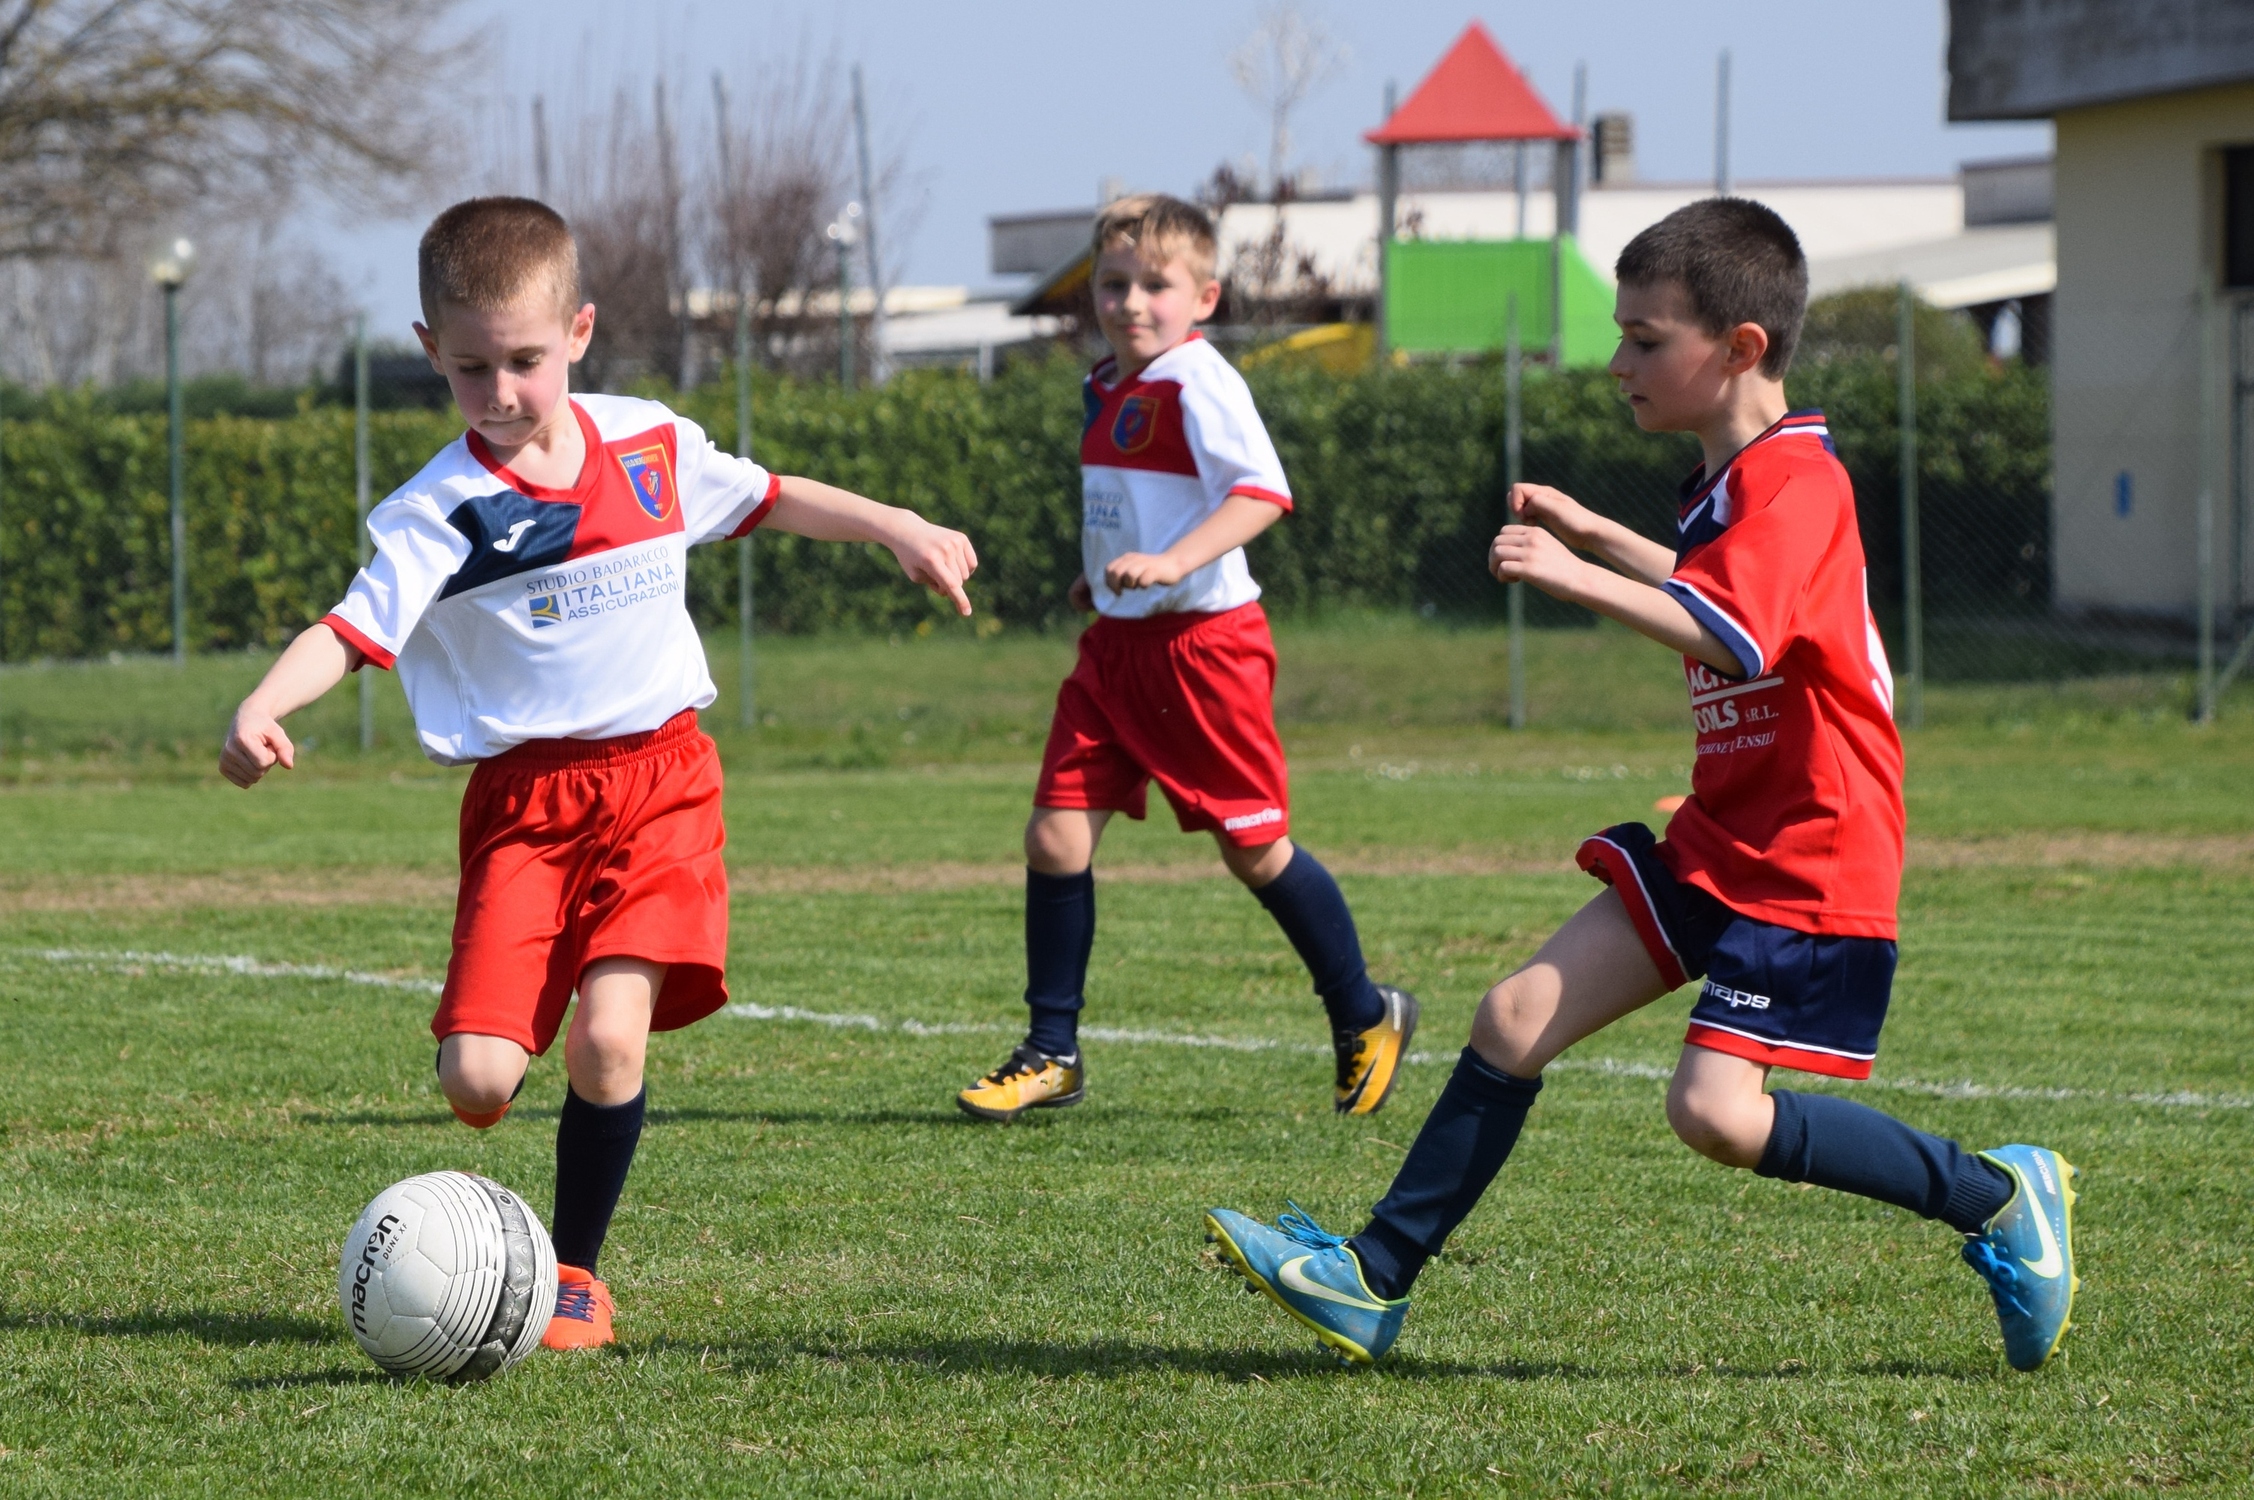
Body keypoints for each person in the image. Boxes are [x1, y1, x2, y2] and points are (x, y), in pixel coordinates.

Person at [1200, 198, 2080, 1373]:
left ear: (1741, 348)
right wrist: (1605, 537)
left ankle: (1994, 1196)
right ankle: (1372, 1279)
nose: (1618, 363)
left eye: (1645, 338)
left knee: (1713, 1115)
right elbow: (1726, 593)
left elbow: (1739, 637)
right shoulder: (1735, 486)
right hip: (1726, 829)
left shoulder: (1796, 484)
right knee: (1515, 1016)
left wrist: (1572, 576)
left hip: (1808, 848)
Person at [220, 197, 978, 1352]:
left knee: (610, 1040)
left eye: (526, 361)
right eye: (472, 369)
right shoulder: (440, 512)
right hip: (526, 810)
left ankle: (573, 1276)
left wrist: (897, 525)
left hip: (664, 783)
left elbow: (768, 497)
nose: (504, 392)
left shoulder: (648, 444)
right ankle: (496, 1065)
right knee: (478, 1083)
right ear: (432, 353)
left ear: (577, 331)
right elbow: (347, 629)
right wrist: (265, 704)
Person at [955, 194, 1416, 1124]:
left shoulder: (1198, 379)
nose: (1131, 302)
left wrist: (1170, 565)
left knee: (1253, 849)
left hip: (1205, 650)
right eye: (1114, 283)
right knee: (1054, 835)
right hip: (1117, 647)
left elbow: (1260, 495)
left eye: (1155, 285)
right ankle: (1053, 1049)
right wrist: (1107, 581)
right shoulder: (1108, 384)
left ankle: (1366, 1013)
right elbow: (1135, 507)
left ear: (1203, 297)